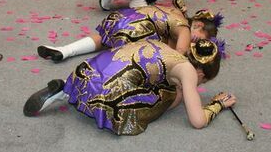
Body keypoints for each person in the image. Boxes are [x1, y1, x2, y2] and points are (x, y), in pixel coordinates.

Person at [23, 38, 235, 136]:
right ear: (201, 74)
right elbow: (197, 121)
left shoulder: (167, 49)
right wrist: (217, 105)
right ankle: (98, 106)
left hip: (83, 74)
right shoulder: (189, 71)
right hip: (104, 96)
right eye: (203, 82)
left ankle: (64, 90)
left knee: (164, 87)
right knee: (172, 95)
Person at [38, 7, 223, 62]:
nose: (195, 41)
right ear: (197, 24)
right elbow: (179, 54)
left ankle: (64, 50)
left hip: (122, 18)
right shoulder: (184, 27)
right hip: (137, 31)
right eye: (199, 37)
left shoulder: (174, 13)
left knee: (104, 39)